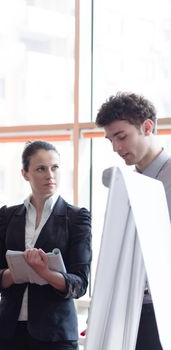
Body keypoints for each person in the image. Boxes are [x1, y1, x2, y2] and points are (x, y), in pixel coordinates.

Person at [0, 140, 92, 350]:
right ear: (25, 173)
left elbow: (79, 284)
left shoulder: (77, 218)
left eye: (55, 167)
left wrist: (44, 272)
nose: (50, 175)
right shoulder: (7, 215)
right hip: (10, 331)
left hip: (56, 333)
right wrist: (14, 273)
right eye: (41, 169)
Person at [96, 92, 171, 350]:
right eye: (110, 140)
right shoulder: (125, 185)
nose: (116, 148)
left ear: (147, 127)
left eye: (121, 136)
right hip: (128, 308)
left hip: (164, 311)